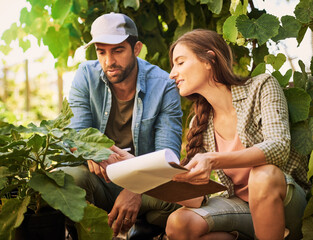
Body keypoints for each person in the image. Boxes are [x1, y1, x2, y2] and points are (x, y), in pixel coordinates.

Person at [165, 29, 310, 240]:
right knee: (179, 223)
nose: (172, 73)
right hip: (242, 209)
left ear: (209, 60)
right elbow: (196, 202)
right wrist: (162, 181)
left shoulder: (261, 86)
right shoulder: (200, 122)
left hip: (286, 203)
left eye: (180, 62)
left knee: (262, 175)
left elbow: (278, 147)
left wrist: (213, 160)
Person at [64, 12, 183, 239]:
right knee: (67, 177)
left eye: (118, 50)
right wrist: (91, 150)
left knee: (180, 199)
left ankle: (144, 230)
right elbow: (75, 135)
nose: (109, 61)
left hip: (147, 183)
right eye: (101, 52)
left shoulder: (164, 86)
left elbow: (167, 156)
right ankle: (83, 233)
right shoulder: (85, 76)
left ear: (136, 48)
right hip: (100, 179)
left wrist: (135, 188)